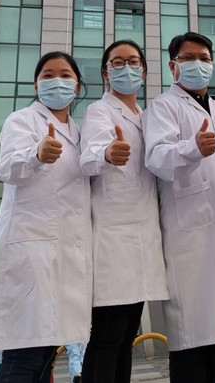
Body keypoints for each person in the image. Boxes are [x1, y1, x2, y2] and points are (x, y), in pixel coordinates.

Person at [0, 52, 93, 383]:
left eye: (65, 75)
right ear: (36, 85)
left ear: (77, 86)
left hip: (64, 257)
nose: (57, 81)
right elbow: (6, 167)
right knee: (24, 356)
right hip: (31, 253)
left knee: (45, 355)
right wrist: (36, 154)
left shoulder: (79, 133)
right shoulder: (21, 120)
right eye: (48, 75)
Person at [143, 32, 215, 383]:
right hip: (188, 237)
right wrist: (192, 148)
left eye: (204, 58)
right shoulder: (163, 106)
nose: (197, 64)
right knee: (191, 341)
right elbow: (157, 158)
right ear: (173, 66)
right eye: (188, 58)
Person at [79, 40, 169, 383]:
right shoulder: (99, 111)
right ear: (106, 73)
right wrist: (107, 154)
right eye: (117, 63)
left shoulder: (145, 117)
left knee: (126, 337)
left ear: (144, 72)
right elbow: (88, 157)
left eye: (133, 62)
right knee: (107, 337)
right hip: (114, 239)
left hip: (143, 236)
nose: (126, 68)